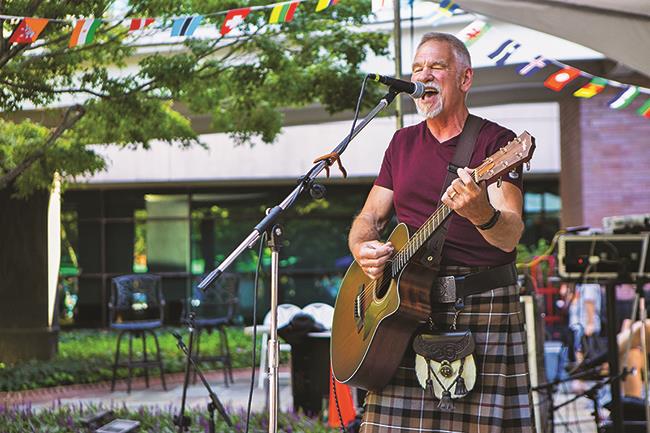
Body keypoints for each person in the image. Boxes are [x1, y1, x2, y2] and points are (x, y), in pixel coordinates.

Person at [347, 32, 535, 432]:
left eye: (436, 67)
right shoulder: (401, 143)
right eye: (417, 68)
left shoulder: (497, 144)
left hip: (479, 306)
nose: (424, 75)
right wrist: (363, 247)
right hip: (403, 310)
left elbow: (510, 233)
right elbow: (368, 219)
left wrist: (480, 212)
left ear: (465, 79)